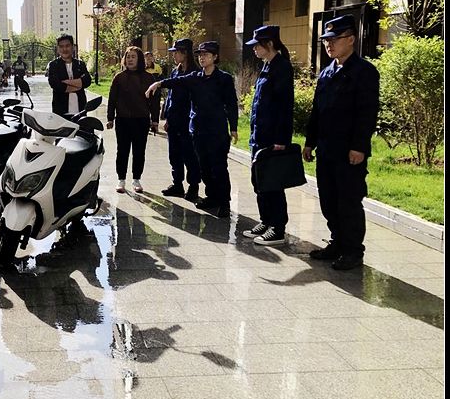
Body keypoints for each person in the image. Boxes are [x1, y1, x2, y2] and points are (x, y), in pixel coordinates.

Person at [304, 15, 380, 270]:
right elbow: (317, 111)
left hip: (349, 152)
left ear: (351, 39)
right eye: (326, 40)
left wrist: (359, 146)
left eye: (335, 39)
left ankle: (353, 251)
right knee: (328, 199)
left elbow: (367, 113)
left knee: (348, 201)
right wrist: (310, 142)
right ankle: (337, 242)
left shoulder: (364, 72)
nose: (329, 44)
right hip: (326, 149)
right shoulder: (327, 72)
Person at [146, 41, 238, 218]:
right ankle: (211, 197)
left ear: (215, 57)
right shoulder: (195, 77)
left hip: (216, 131)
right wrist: (157, 84)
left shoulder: (224, 79)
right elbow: (176, 81)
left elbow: (231, 104)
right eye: (200, 55)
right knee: (204, 167)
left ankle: (224, 202)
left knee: (218, 167)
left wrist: (233, 127)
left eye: (206, 55)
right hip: (198, 130)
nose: (202, 58)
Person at [241, 25, 294, 246]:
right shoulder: (267, 65)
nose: (254, 49)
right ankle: (266, 221)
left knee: (273, 183)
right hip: (259, 136)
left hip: (272, 139)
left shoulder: (281, 67)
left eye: (257, 45)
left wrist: (281, 140)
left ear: (269, 44)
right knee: (259, 181)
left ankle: (278, 228)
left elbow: (284, 107)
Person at [106, 46, 160, 193]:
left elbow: (154, 101)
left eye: (133, 57)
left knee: (139, 151)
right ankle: (121, 179)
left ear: (139, 59)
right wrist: (110, 118)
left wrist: (155, 120)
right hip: (122, 120)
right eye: (128, 56)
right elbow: (112, 99)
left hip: (141, 120)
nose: (130, 59)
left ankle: (136, 179)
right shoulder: (119, 77)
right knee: (122, 151)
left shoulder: (148, 78)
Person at [159, 38, 201, 200]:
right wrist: (167, 118)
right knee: (174, 154)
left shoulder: (194, 73)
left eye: (176, 52)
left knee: (190, 155)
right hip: (174, 120)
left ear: (185, 53)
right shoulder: (175, 71)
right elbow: (170, 96)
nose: (174, 55)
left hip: (187, 121)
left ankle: (193, 186)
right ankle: (177, 184)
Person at [47, 34, 91, 116]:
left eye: (67, 46)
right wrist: (78, 85)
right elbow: (56, 85)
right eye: (61, 46)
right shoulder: (53, 65)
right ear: (58, 49)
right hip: (61, 110)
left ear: (73, 47)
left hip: (80, 109)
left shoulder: (80, 64)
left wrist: (66, 82)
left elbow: (87, 81)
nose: (64, 49)